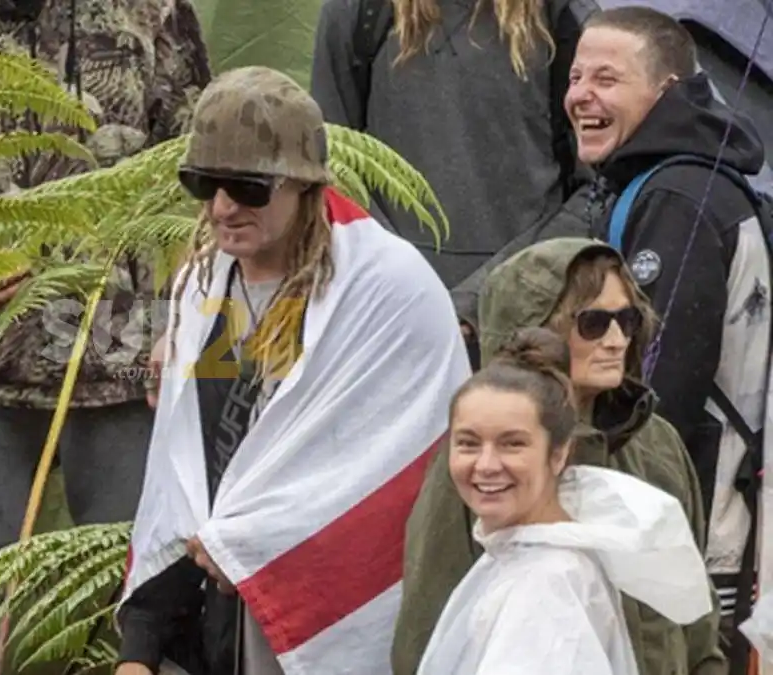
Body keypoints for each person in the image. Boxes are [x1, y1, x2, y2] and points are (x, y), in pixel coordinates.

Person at [0, 1, 213, 673]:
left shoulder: (149, 10)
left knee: (142, 579)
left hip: (127, 350)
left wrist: (186, 314)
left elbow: (199, 166)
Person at [116, 65, 471, 675]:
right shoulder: (202, 284)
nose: (222, 207)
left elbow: (397, 474)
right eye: (203, 183)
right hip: (215, 620)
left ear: (304, 185)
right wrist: (141, 647)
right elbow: (186, 469)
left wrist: (255, 545)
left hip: (334, 613)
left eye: (248, 187)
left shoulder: (388, 290)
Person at [391, 238, 726, 674]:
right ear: (537, 327)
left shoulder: (657, 444)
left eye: (626, 320)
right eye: (593, 323)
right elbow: (428, 625)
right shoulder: (482, 466)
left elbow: (696, 615)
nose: (616, 340)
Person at [566, 7, 771, 655]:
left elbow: (654, 395)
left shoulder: (678, 200)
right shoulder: (664, 183)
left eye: (607, 78)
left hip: (695, 533)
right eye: (575, 76)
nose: (580, 95)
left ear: (666, 91)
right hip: (687, 525)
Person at [310, 0, 597, 307]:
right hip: (394, 298)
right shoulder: (362, 11)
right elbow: (330, 162)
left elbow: (597, 189)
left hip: (524, 301)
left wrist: (496, 288)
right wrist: (398, 274)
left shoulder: (563, 15)